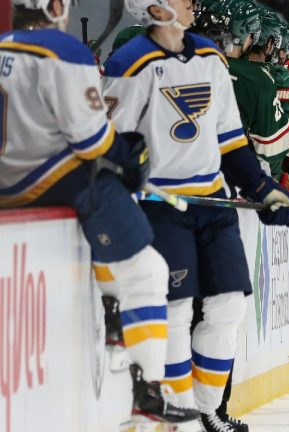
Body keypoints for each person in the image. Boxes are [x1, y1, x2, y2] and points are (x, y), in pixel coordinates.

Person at [0, 0, 199, 425]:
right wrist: (129, 155)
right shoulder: (62, 50)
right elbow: (90, 140)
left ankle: (112, 311)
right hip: (56, 181)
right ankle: (148, 387)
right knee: (148, 271)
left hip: (7, 190)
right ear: (54, 7)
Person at [103, 1, 289, 431]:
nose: (190, 3)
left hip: (213, 204)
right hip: (161, 208)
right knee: (173, 312)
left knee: (229, 307)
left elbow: (230, 140)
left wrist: (264, 189)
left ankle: (207, 408)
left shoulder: (210, 57)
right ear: (154, 6)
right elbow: (109, 143)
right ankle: (178, 416)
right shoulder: (130, 62)